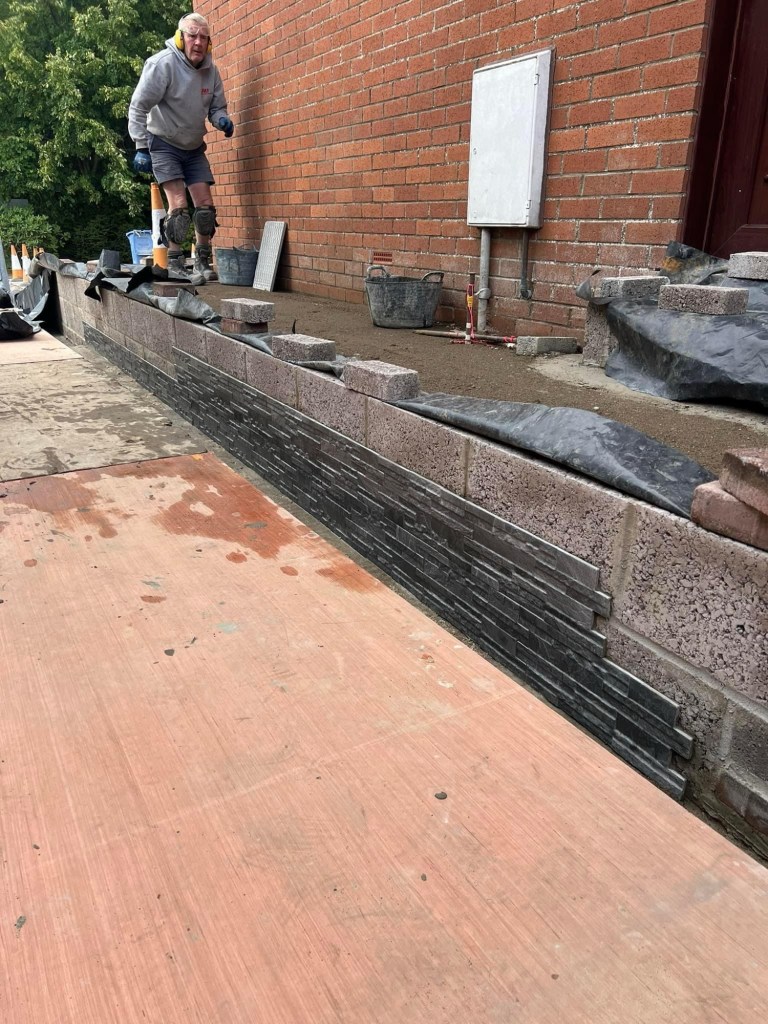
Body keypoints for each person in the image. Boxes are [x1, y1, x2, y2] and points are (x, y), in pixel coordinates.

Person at [128, 12, 234, 283]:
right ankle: (175, 263)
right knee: (178, 206)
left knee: (205, 207)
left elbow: (216, 107)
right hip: (164, 143)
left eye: (203, 37)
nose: (198, 42)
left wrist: (221, 119)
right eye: (192, 36)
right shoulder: (161, 65)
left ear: (209, 43)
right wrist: (141, 145)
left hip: (193, 146)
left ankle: (202, 262)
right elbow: (138, 106)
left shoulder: (211, 71)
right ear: (180, 38)